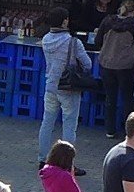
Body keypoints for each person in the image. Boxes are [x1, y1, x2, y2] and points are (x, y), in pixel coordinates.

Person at [38, 9, 95, 161]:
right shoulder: (73, 42)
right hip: (69, 88)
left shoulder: (45, 39)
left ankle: (42, 159)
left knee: (47, 123)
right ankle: (66, 162)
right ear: (64, 21)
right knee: (69, 126)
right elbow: (87, 64)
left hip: (51, 86)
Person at [94, 0, 134, 133]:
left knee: (110, 98)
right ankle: (127, 130)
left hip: (107, 64)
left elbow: (97, 41)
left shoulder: (107, 21)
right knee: (128, 98)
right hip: (126, 67)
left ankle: (109, 130)